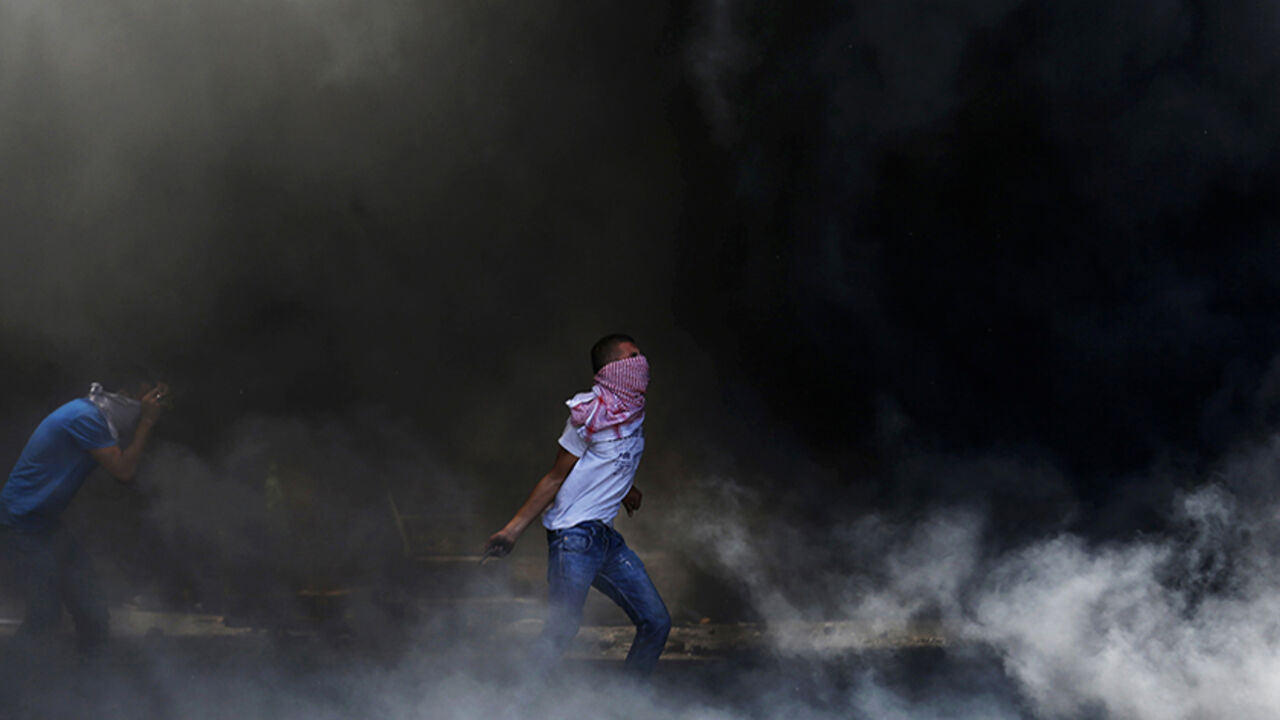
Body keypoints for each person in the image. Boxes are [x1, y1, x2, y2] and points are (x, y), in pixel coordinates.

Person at [484, 334, 671, 675]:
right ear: (613, 368)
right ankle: (515, 707)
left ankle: (627, 708)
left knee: (657, 622)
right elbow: (555, 478)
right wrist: (511, 531)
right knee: (562, 629)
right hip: (574, 539)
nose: (642, 363)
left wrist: (626, 488)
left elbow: (609, 460)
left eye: (641, 355)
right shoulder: (588, 414)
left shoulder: (632, 410)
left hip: (607, 542)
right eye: (633, 356)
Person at [0, 379, 169, 651]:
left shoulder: (93, 416)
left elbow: (122, 449)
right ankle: (10, 684)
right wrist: (147, 421)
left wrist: (143, 413)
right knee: (45, 614)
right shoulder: (85, 417)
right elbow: (124, 470)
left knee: (93, 613)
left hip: (44, 525)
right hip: (20, 525)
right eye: (139, 397)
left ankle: (94, 688)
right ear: (120, 394)